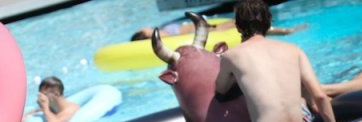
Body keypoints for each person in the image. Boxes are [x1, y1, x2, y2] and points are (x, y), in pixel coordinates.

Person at [209, 0, 335, 122]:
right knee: (302, 102)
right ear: (269, 23)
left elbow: (220, 89)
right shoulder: (294, 50)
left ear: (238, 26)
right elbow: (321, 96)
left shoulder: (232, 56)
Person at [130, 18, 306, 41]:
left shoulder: (165, 30)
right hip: (208, 29)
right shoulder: (169, 37)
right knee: (242, 23)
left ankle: (281, 30)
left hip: (206, 25)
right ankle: (285, 31)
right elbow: (193, 31)